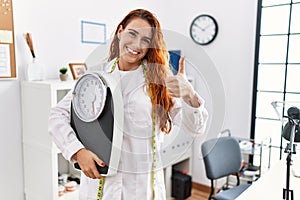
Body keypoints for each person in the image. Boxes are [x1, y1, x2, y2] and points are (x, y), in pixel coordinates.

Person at [48, 8, 208, 200]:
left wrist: (189, 95)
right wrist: (77, 151)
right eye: (132, 34)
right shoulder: (96, 76)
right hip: (102, 186)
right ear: (120, 32)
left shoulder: (159, 80)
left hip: (141, 189)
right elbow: (57, 115)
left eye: (146, 40)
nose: (137, 45)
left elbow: (195, 127)